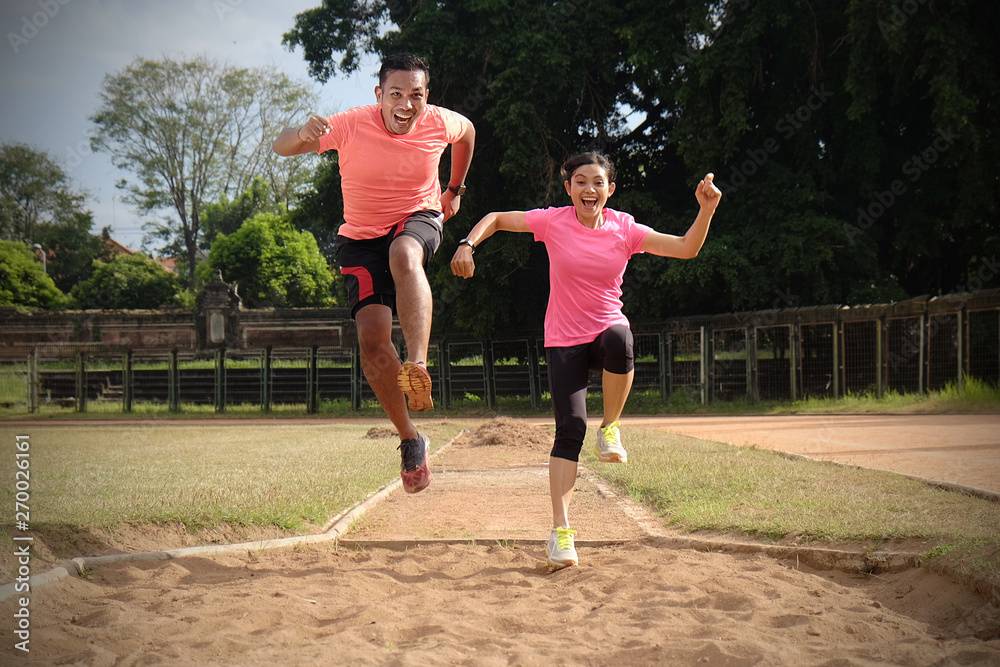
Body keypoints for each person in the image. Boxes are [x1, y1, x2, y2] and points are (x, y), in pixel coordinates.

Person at [450, 152, 720, 570]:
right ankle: (561, 532)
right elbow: (499, 218)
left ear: (610, 190)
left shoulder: (625, 228)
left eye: (597, 182)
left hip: (605, 331)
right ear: (568, 189)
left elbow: (686, 249)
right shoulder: (553, 221)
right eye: (580, 181)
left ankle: (610, 428)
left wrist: (705, 211)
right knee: (570, 429)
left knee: (620, 337)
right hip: (563, 341)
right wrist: (468, 243)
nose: (588, 189)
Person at [274, 52, 476, 494]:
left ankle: (418, 365)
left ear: (428, 97)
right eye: (397, 95)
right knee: (371, 337)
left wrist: (455, 189)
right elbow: (282, 145)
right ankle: (410, 438)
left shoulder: (439, 123)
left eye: (416, 96)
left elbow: (469, 134)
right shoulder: (349, 124)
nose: (407, 105)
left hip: (417, 215)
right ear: (379, 95)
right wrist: (300, 134)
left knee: (405, 255)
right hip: (361, 237)